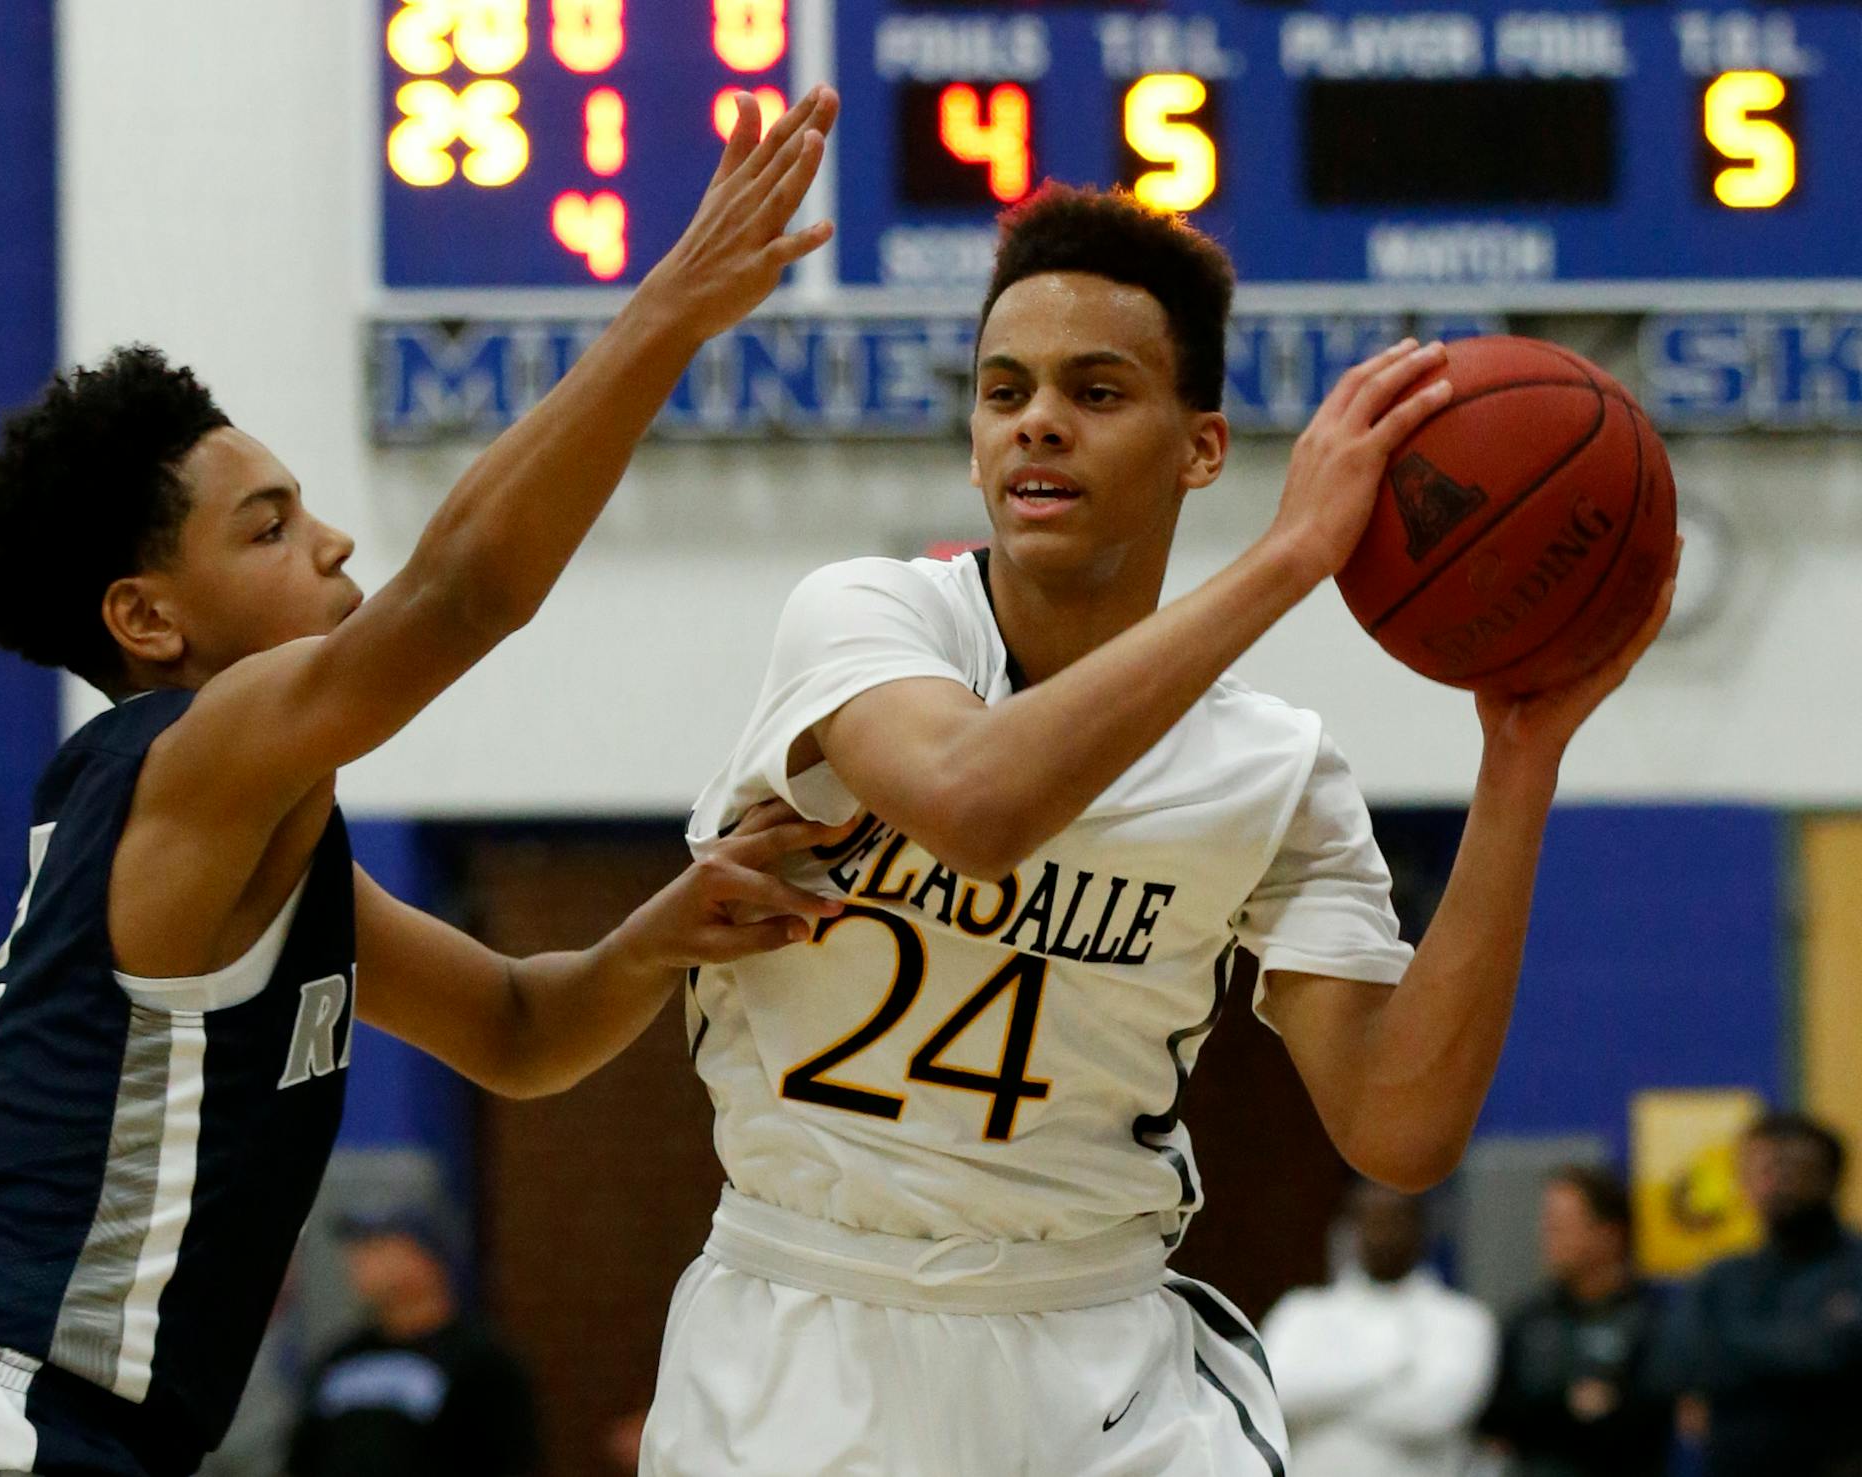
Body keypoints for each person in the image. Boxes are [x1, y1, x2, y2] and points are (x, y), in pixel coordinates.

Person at [0, 87, 849, 1477]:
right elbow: (464, 592)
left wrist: (653, 934)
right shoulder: (185, 760)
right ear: (148, 621)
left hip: (68, 1431)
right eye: (271, 525)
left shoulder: (255, 843)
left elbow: (521, 1027)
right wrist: (666, 312)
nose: (334, 536)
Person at [642, 184, 1677, 1476]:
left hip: (1099, 1352)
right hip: (806, 1326)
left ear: (1202, 449)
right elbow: (977, 806)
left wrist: (1520, 763)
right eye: (1004, 389)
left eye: (1097, 391)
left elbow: (1399, 1130)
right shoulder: (868, 620)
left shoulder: (1271, 768)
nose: (1038, 425)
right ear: (971, 440)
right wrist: (1290, 558)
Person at [1670, 1112, 1862, 1477]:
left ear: (1830, 1176)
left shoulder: (1854, 1269)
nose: (1777, 1183)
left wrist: (1731, 1348)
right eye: (1761, 1169)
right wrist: (1798, 1351)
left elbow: (1833, 1356)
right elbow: (1676, 1367)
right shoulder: (1721, 1278)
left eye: (1791, 1167)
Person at [1262, 1184, 1498, 1477]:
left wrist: (1321, 1401)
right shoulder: (1302, 1312)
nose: (1381, 1234)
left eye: (1395, 1220)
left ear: (1421, 1227)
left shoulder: (1461, 1319)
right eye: (1370, 1220)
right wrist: (1389, 1370)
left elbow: (1433, 1415)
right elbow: (1274, 1393)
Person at [286, 1206, 539, 1477]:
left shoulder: (480, 1362)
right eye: (357, 1247)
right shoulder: (340, 1358)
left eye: (378, 1244)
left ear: (426, 1257)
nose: (359, 1259)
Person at [1479, 1165, 1672, 1477]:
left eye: (1560, 1226)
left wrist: (1542, 1415)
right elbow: (1495, 1420)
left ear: (1609, 1234)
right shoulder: (1529, 1318)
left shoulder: (1652, 1320)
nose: (1547, 1237)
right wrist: (1571, 1406)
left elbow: (1638, 1429)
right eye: (1546, 1225)